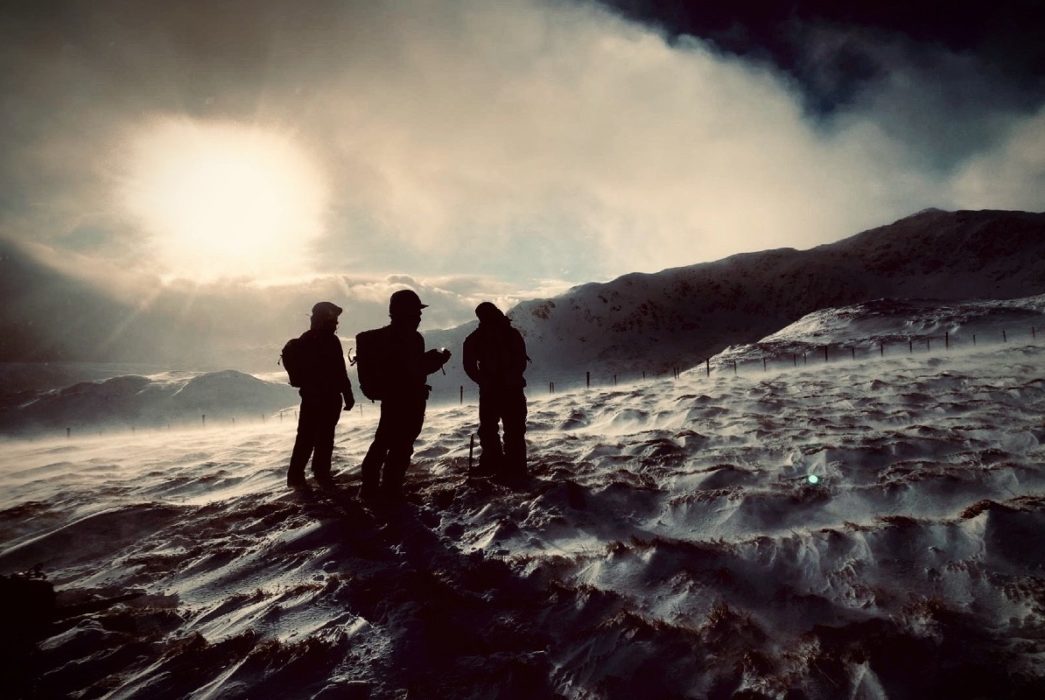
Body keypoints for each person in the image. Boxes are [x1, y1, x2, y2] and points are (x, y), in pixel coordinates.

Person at [359, 289, 451, 502]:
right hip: (407, 400)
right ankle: (390, 490)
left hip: (395, 399)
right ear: (404, 312)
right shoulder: (409, 338)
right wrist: (437, 360)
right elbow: (413, 370)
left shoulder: (393, 338)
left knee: (383, 443)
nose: (419, 317)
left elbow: (409, 367)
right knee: (399, 446)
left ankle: (370, 488)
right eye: (416, 312)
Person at [287, 301, 355, 488]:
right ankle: (319, 474)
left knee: (306, 437)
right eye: (333, 320)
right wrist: (347, 394)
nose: (336, 324)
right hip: (326, 397)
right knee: (322, 437)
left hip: (311, 397)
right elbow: (339, 371)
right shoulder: (329, 341)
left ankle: (297, 476)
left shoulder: (306, 339)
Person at [463, 301, 528, 482]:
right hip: (507, 390)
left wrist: (483, 381)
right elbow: (521, 361)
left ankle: (498, 464)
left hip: (494, 391)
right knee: (509, 430)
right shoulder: (510, 334)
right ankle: (514, 467)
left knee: (495, 430)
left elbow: (469, 366)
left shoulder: (476, 337)